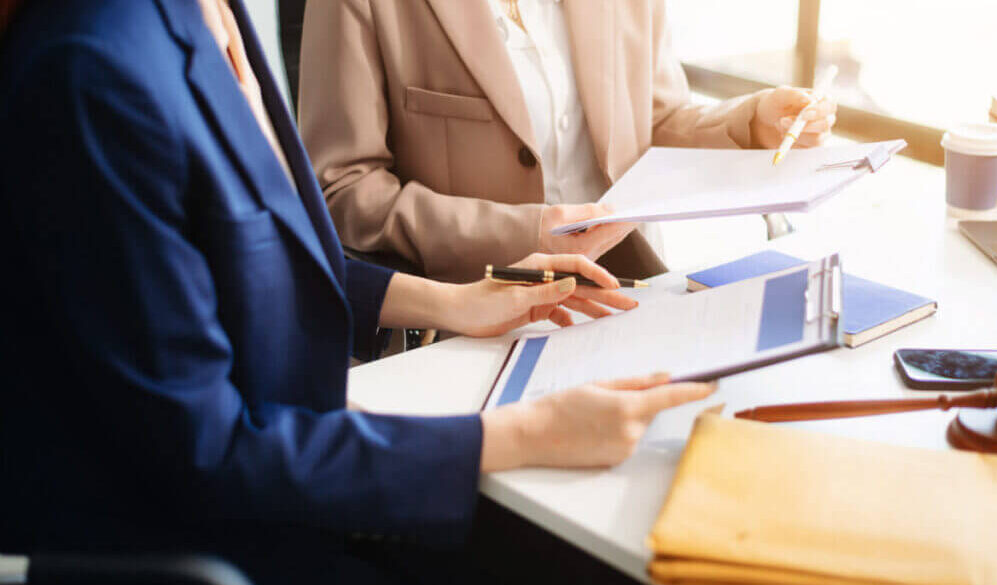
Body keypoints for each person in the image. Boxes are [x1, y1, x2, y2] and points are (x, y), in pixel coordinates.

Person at [0, 0, 715, 583]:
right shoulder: (92, 70)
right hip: (224, 543)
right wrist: (522, 434)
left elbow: (250, 249)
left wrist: (455, 301)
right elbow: (210, 453)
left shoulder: (206, 14)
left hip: (296, 486)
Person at [298, 0, 838, 282]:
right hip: (467, 315)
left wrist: (751, 123)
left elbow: (653, 120)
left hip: (629, 293)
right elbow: (343, 188)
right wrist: (522, 235)